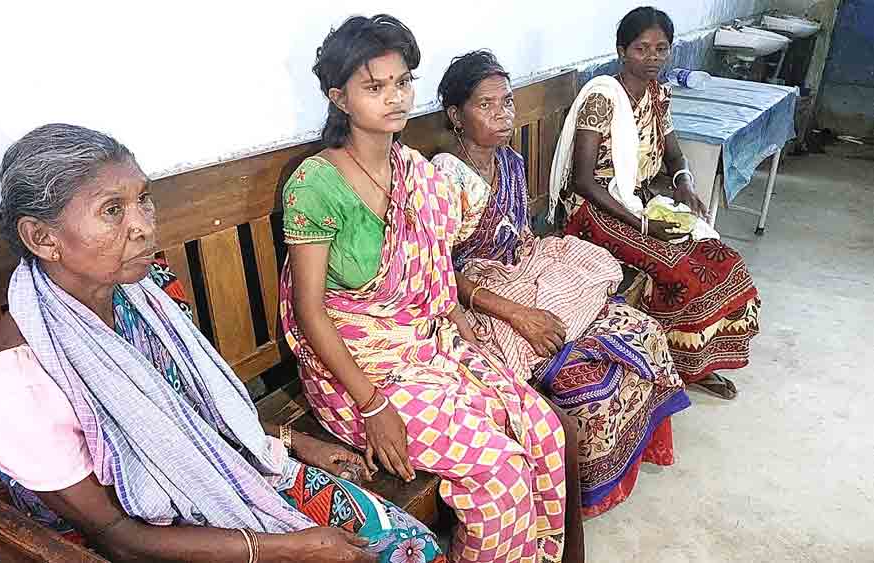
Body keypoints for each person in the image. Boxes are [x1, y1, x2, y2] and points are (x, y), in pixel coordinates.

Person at [0, 123, 445, 563]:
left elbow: (198, 407)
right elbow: (117, 536)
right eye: (113, 211)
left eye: (143, 200)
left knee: (410, 548)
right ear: (41, 238)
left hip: (221, 471)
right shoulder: (15, 381)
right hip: (142, 540)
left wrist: (293, 441)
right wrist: (288, 548)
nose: (142, 224)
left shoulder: (149, 290)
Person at [279, 15, 584, 563]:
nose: (395, 98)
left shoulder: (413, 170)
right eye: (375, 87)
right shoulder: (316, 183)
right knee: (501, 471)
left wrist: (451, 316)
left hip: (426, 345)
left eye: (402, 82)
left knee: (542, 428)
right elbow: (309, 313)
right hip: (357, 371)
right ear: (339, 97)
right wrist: (373, 407)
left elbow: (430, 267)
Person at [431, 50, 690, 517]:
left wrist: (544, 283)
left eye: (507, 102)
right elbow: (437, 271)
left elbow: (522, 238)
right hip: (472, 298)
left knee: (642, 331)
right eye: (485, 105)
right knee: (588, 384)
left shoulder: (509, 161)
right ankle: (581, 496)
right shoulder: (443, 177)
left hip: (521, 270)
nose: (503, 114)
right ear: (455, 114)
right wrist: (517, 312)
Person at [552, 7, 761, 399]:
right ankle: (668, 366)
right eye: (641, 48)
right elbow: (582, 180)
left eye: (660, 49)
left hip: (639, 201)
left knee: (721, 258)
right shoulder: (603, 99)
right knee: (679, 269)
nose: (651, 58)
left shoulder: (657, 94)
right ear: (621, 51)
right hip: (592, 209)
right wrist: (643, 225)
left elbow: (674, 153)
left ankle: (696, 362)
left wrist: (683, 183)